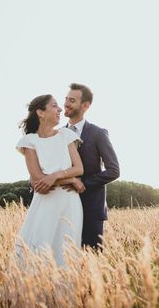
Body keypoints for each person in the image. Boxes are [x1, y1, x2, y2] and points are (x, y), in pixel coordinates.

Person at [15, 94, 85, 267]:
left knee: (66, 252)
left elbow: (79, 168)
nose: (60, 109)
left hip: (69, 204)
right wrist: (71, 181)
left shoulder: (66, 135)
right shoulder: (29, 141)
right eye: (54, 106)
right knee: (39, 249)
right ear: (40, 112)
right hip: (45, 203)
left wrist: (55, 176)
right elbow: (38, 181)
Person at [62, 83, 120, 250]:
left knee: (90, 264)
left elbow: (114, 170)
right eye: (66, 99)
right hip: (63, 209)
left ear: (85, 106)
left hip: (91, 210)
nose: (66, 103)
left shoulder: (98, 134)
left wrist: (83, 183)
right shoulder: (58, 135)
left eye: (71, 100)